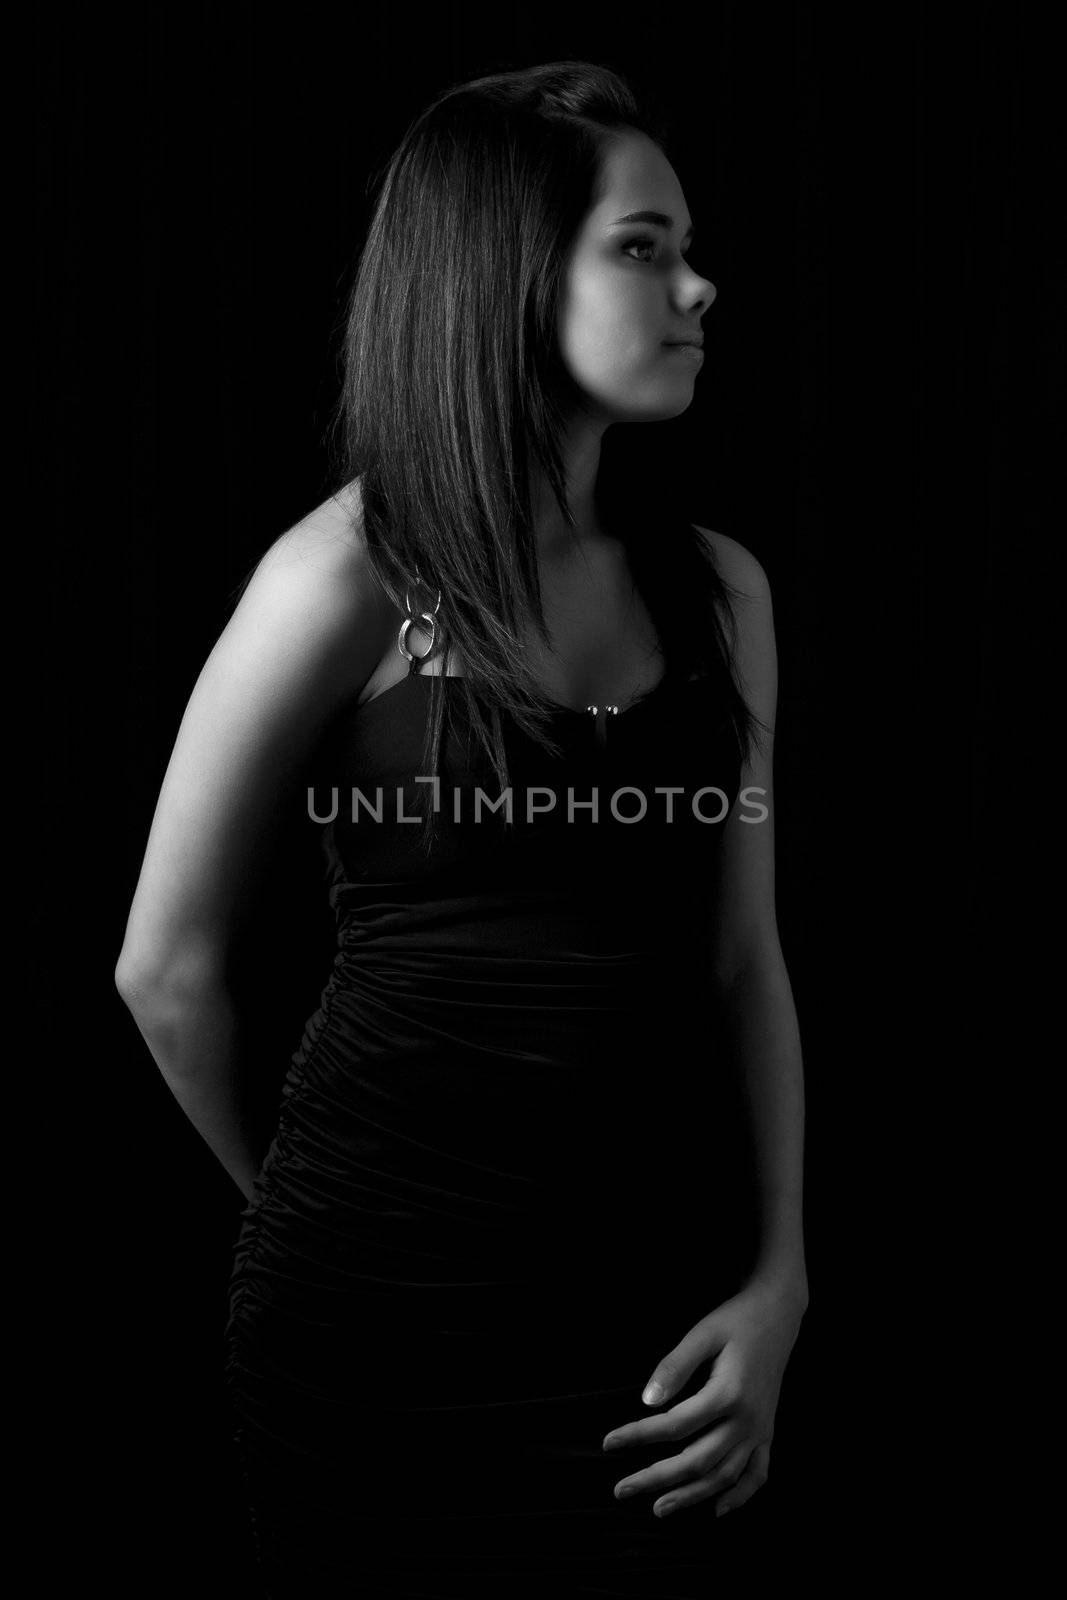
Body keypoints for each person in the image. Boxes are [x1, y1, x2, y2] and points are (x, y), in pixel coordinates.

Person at [115, 60, 809, 1599]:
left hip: (651, 1324)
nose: (700, 283)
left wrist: (782, 1282)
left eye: (682, 244)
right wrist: (316, 1218)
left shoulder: (723, 591)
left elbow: (743, 960)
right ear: (508, 270)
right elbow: (163, 970)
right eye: (643, 246)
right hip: (376, 1325)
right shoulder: (341, 577)